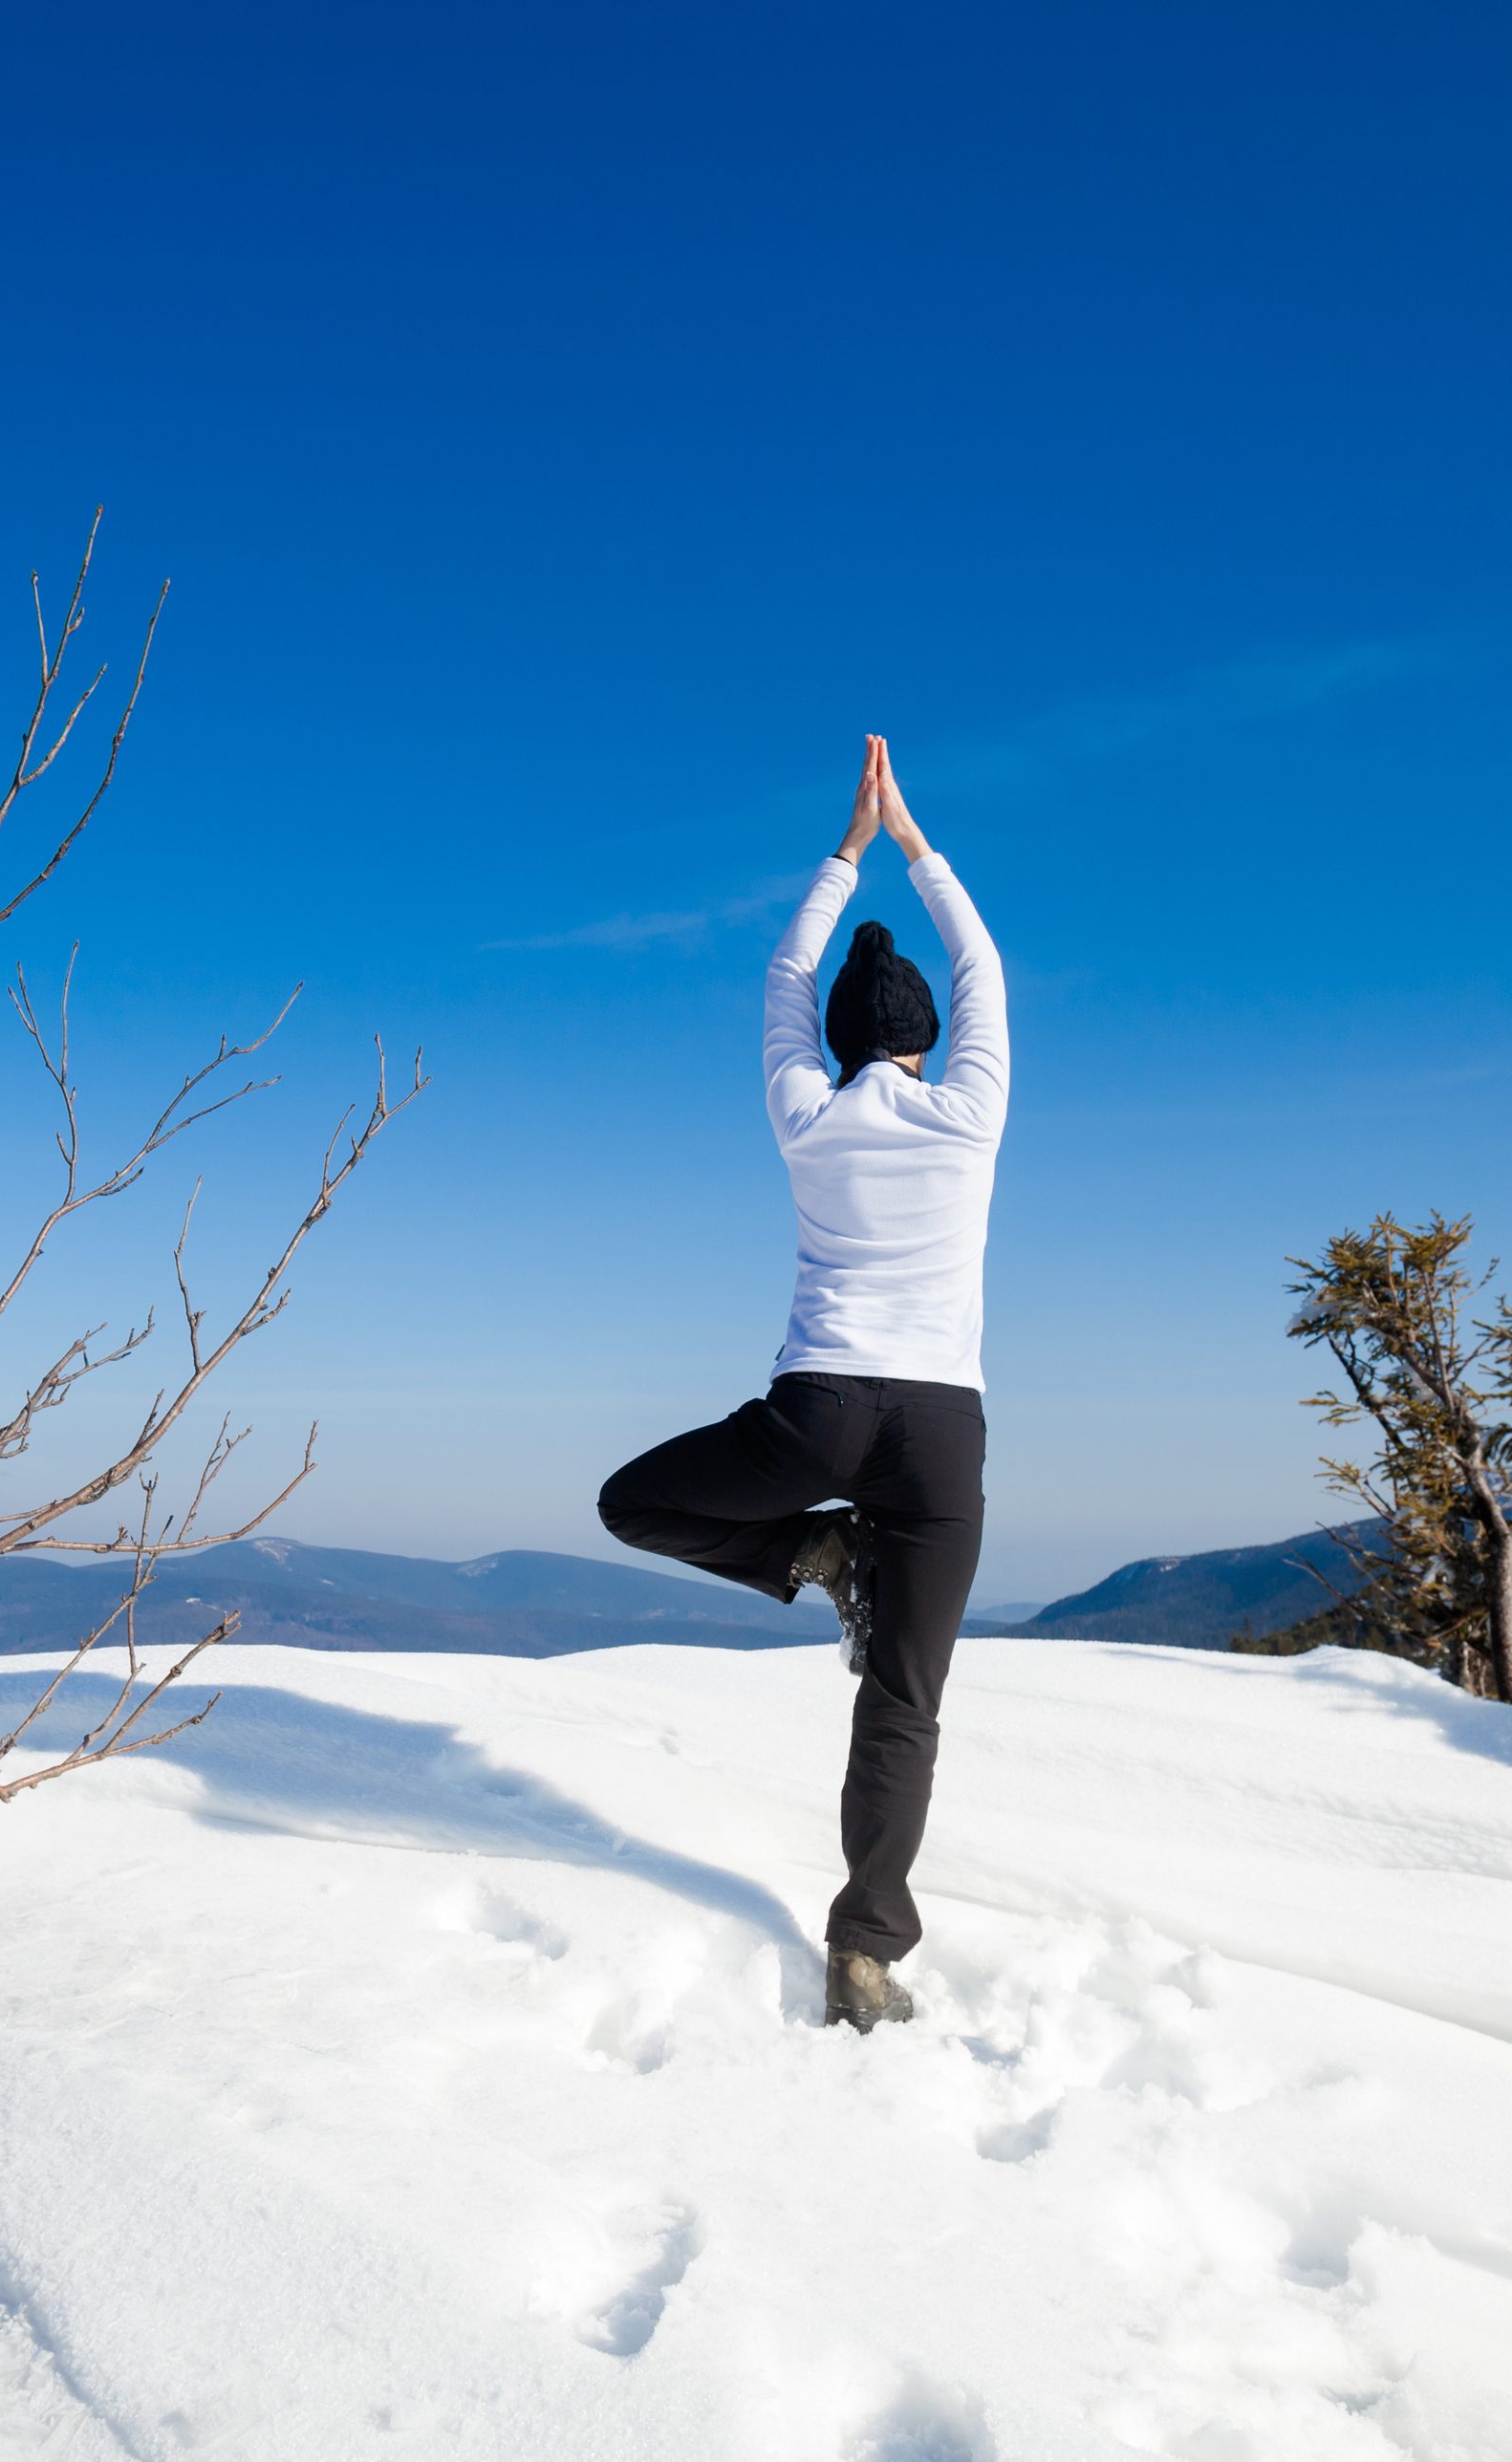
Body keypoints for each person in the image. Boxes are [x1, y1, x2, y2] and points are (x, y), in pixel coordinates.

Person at [595, 735, 1005, 2035]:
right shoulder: (970, 1111)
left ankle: (818, 1555)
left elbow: (783, 972)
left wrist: (844, 849)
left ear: (834, 1040)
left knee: (635, 1502)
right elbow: (981, 960)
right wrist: (914, 843)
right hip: (941, 1430)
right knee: (906, 1701)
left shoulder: (805, 1112)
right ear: (931, 1040)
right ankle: (867, 1949)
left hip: (819, 1412)